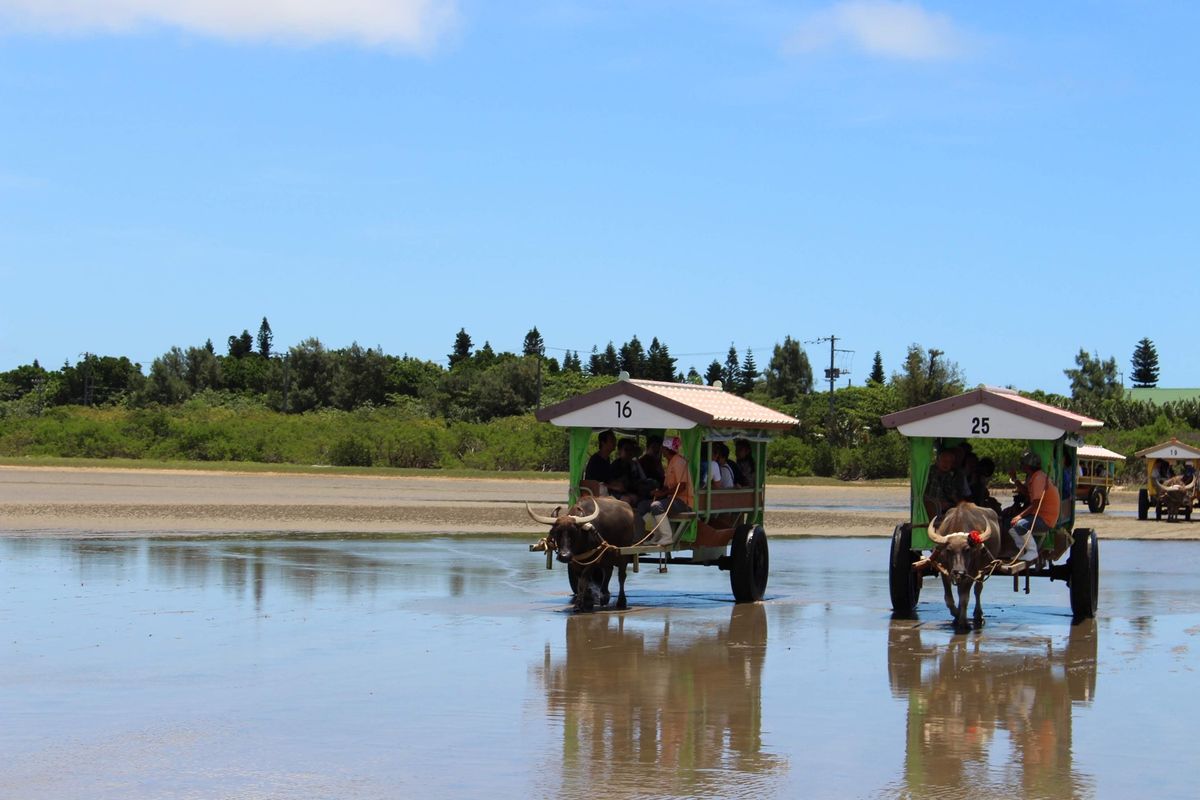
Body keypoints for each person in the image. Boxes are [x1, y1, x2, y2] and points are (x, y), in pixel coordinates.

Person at [638, 436, 694, 545]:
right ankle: (657, 534)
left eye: (663, 447)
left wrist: (663, 493)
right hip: (672, 499)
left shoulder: (679, 462)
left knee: (656, 506)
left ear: (667, 449)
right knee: (642, 506)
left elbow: (681, 486)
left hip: (683, 502)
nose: (661, 450)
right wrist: (658, 491)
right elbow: (667, 486)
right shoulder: (670, 462)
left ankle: (667, 537)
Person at [1007, 450, 1058, 564]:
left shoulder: (1038, 478)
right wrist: (1015, 479)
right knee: (1012, 527)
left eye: (1023, 464)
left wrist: (1020, 516)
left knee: (1019, 524)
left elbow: (1036, 504)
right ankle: (1022, 551)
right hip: (1040, 514)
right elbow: (1026, 492)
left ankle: (1031, 551)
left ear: (1028, 466)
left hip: (1045, 519)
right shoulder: (1034, 477)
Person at [923, 445, 968, 522]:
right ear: (937, 461)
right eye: (944, 461)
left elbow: (951, 493)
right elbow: (924, 494)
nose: (946, 464)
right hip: (929, 505)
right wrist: (938, 503)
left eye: (949, 462)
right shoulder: (930, 472)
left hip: (943, 506)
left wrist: (962, 505)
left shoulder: (948, 476)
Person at [610, 437, 653, 505]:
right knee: (631, 498)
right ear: (619, 450)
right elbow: (615, 484)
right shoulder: (616, 465)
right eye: (626, 450)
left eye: (631, 450)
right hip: (616, 493)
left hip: (628, 491)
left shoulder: (629, 464)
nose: (629, 452)